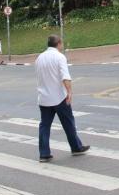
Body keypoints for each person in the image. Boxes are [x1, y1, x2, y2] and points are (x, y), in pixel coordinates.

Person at [35, 34, 90, 162]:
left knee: (44, 126)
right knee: (68, 123)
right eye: (62, 43)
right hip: (59, 97)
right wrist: (69, 91)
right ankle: (76, 147)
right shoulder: (60, 57)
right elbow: (65, 76)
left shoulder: (39, 58)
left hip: (44, 98)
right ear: (58, 43)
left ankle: (44, 153)